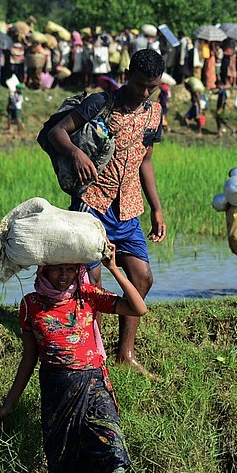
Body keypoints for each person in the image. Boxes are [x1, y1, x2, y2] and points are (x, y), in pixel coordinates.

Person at [0, 250, 148, 473]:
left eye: (69, 269)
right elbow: (29, 357)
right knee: (64, 465)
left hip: (94, 384)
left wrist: (113, 268)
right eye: (57, 269)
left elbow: (138, 308)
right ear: (43, 270)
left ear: (78, 270)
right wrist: (9, 403)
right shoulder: (31, 304)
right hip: (57, 389)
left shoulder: (87, 296)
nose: (64, 275)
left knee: (112, 448)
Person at [48, 47, 165, 376]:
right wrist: (75, 153)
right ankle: (92, 352)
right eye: (140, 84)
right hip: (92, 204)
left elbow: (146, 160)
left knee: (143, 278)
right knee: (93, 282)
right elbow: (58, 132)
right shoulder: (101, 104)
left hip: (128, 208)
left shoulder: (153, 113)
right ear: (128, 75)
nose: (144, 92)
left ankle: (124, 353)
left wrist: (157, 208)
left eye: (151, 87)